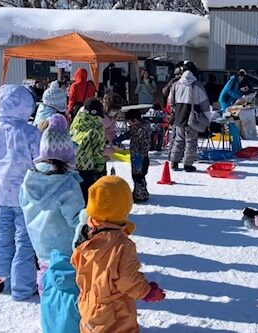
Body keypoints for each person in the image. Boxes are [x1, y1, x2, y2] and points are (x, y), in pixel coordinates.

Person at [71, 176, 166, 333]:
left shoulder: (85, 233)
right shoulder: (122, 245)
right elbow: (127, 278)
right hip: (114, 311)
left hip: (88, 303)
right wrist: (146, 291)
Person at [19, 114, 83, 333]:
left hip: (40, 246)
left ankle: (48, 319)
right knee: (66, 289)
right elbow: (76, 220)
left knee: (45, 281)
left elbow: (23, 208)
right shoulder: (67, 185)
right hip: (64, 250)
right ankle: (67, 324)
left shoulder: (28, 182)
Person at [0, 85, 41, 301]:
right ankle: (23, 287)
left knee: (1, 237)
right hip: (25, 194)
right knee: (25, 241)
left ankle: (1, 282)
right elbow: (41, 159)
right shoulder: (30, 132)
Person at [169, 62, 210, 172]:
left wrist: (176, 111)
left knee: (178, 140)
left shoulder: (176, 84)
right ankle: (187, 164)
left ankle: (174, 162)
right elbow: (205, 103)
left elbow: (170, 101)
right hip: (193, 118)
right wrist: (207, 117)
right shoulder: (197, 85)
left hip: (179, 117)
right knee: (191, 142)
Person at [70, 98, 106, 204]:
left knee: (76, 196)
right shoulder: (97, 128)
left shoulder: (76, 121)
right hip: (87, 167)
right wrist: (100, 167)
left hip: (71, 163)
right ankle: (86, 218)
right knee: (87, 196)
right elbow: (98, 151)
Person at [114, 109, 152, 202]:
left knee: (137, 176)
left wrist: (118, 139)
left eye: (129, 122)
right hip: (143, 155)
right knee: (141, 175)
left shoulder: (139, 129)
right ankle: (142, 192)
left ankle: (139, 195)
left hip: (138, 156)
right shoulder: (144, 126)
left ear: (135, 120)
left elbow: (129, 134)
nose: (129, 125)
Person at [101, 91, 123, 163]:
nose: (114, 112)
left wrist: (115, 142)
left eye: (116, 110)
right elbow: (93, 146)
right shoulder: (97, 118)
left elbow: (110, 132)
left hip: (100, 157)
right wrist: (109, 151)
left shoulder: (111, 118)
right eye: (113, 109)